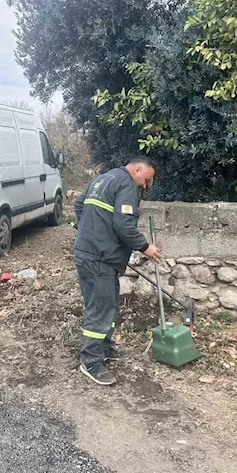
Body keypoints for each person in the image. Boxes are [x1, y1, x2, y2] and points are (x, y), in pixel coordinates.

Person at [73, 156, 161, 385]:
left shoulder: (104, 178)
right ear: (138, 169)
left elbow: (78, 205)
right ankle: (90, 361)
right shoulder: (126, 185)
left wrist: (92, 231)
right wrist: (145, 247)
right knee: (100, 308)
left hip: (89, 253)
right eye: (146, 179)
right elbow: (123, 225)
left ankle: (105, 347)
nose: (144, 185)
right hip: (99, 258)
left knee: (108, 303)